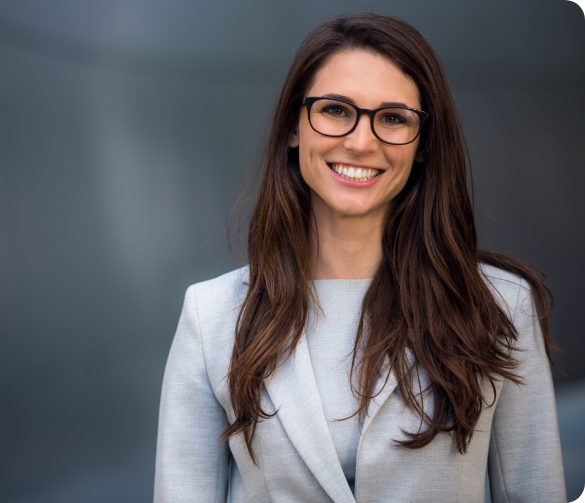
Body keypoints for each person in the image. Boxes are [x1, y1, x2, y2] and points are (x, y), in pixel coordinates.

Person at [153, 13, 566, 503]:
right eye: (335, 110)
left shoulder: (500, 306)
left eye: (393, 118)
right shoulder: (212, 316)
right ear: (293, 127)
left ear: (423, 146)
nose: (361, 141)